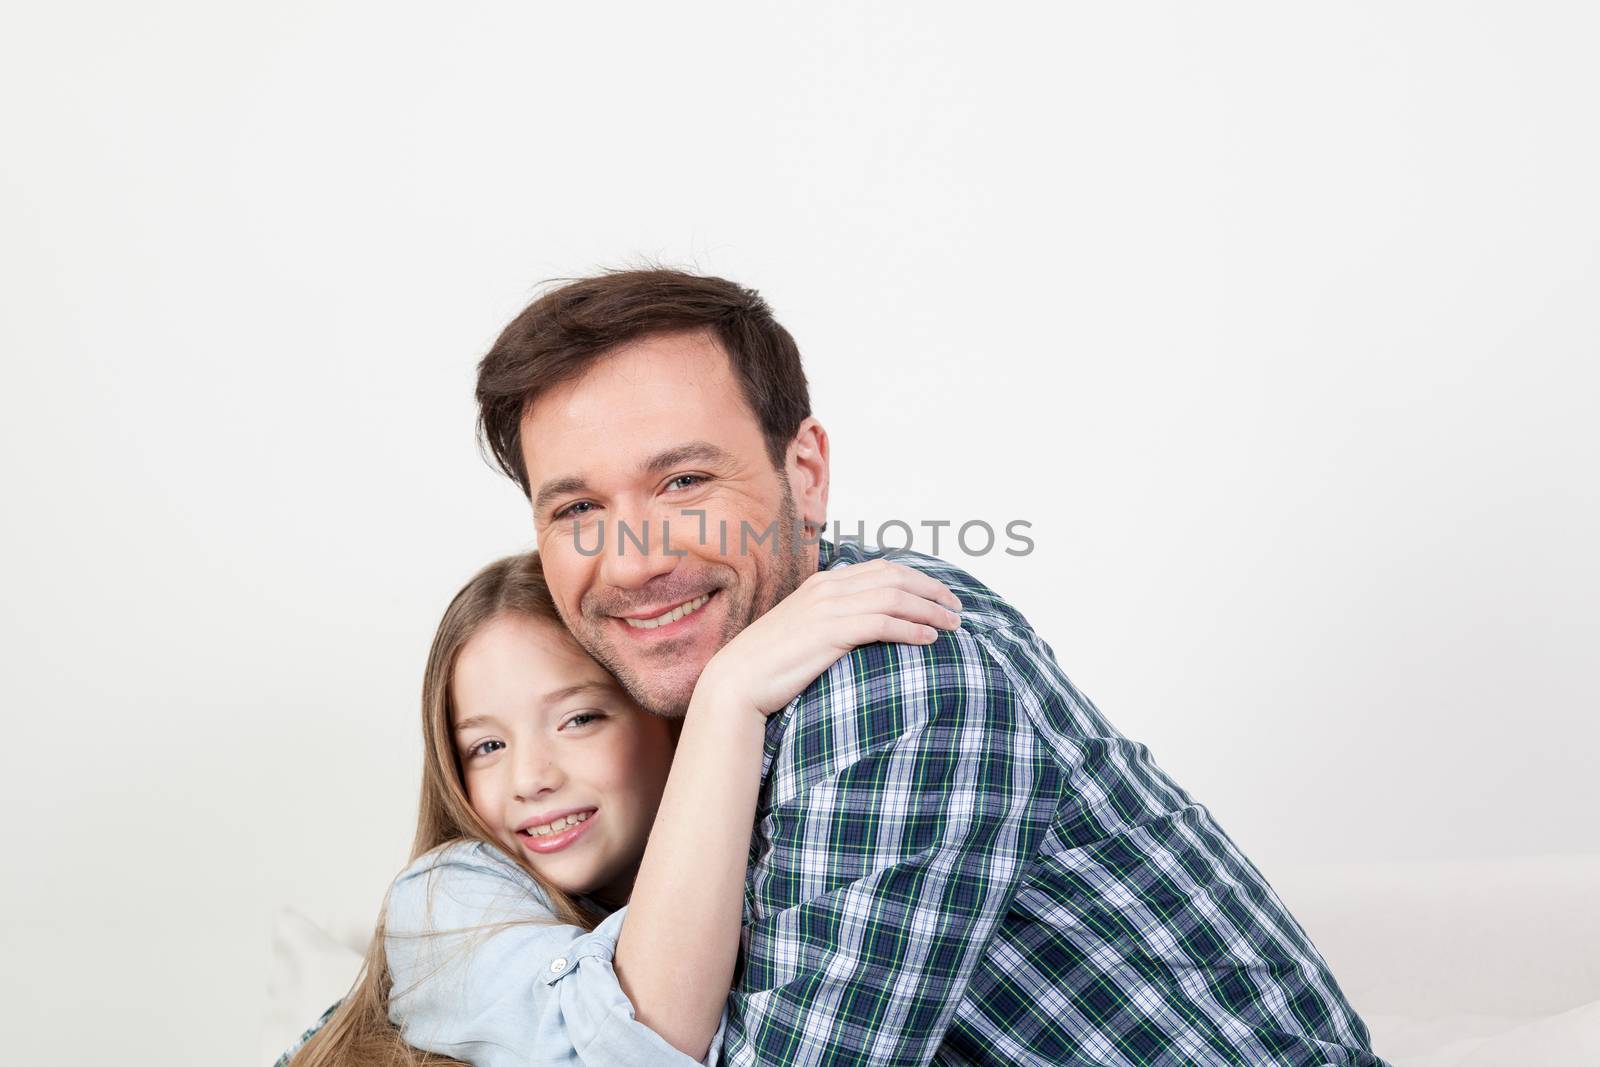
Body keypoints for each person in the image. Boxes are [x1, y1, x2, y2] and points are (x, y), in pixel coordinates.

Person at [466, 268, 1390, 1066]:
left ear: (807, 472)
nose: (631, 561)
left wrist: (721, 701)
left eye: (684, 482)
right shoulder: (702, 665)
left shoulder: (900, 683)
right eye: (578, 508)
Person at [278, 550, 961, 1067]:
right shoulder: (445, 896)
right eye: (485, 744)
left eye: (577, 720)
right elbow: (621, 1046)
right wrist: (729, 694)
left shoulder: (776, 861)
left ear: (664, 717)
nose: (530, 777)